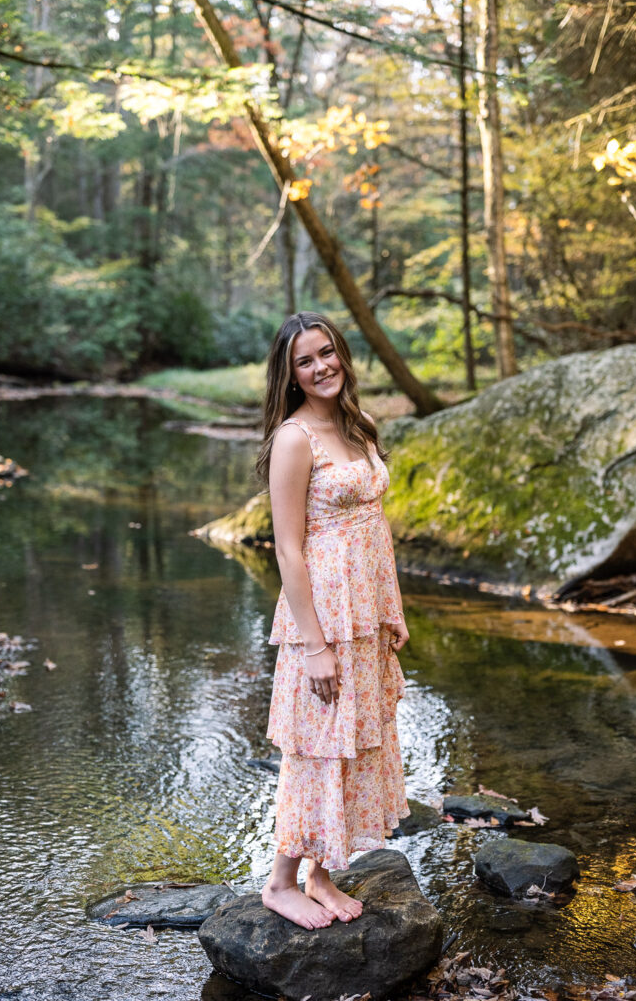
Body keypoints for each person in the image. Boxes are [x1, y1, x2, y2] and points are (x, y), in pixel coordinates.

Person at [256, 311, 410, 931]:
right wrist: (315, 645)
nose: (321, 367)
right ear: (290, 374)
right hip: (321, 616)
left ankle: (320, 873)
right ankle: (280, 883)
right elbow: (288, 548)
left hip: (366, 613)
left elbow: (376, 527)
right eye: (305, 361)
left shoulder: (357, 423)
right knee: (316, 747)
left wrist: (392, 611)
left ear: (341, 353)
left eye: (327, 353)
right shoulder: (295, 439)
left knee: (351, 742)